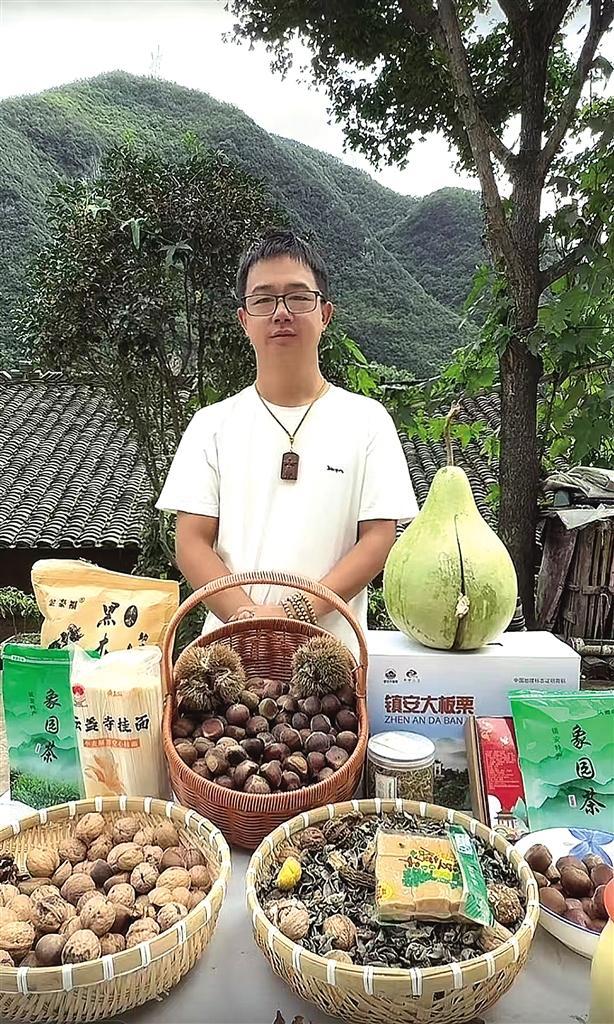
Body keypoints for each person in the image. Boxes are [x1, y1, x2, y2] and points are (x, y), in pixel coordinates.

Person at [156, 230, 418, 657]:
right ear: (244, 319)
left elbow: (378, 538)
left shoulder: (368, 422)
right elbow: (192, 542)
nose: (281, 313)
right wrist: (250, 620)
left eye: (298, 297)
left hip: (333, 661)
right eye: (263, 300)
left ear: (325, 313)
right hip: (227, 659)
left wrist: (295, 614)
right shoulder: (211, 425)